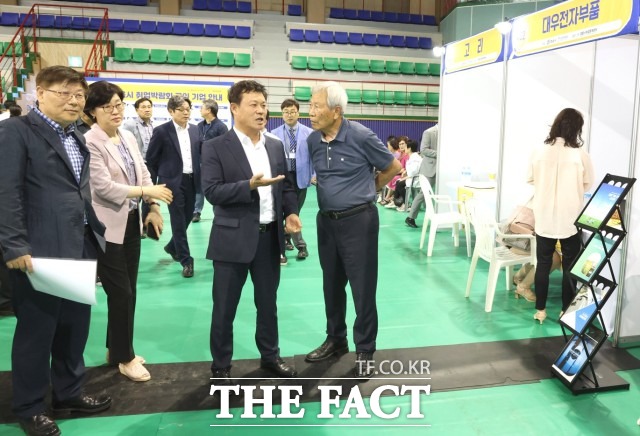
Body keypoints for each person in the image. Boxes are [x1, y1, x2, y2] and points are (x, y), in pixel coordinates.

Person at [0, 66, 112, 436]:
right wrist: (14, 243)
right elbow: (6, 192)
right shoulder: (16, 131)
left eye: (79, 94)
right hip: (38, 251)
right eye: (64, 92)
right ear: (40, 93)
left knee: (73, 327)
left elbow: (78, 192)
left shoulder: (77, 135)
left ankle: (68, 392)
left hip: (79, 244)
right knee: (37, 330)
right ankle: (29, 407)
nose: (74, 100)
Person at [201, 80, 301, 383]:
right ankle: (221, 367)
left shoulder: (274, 144)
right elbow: (212, 191)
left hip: (269, 239)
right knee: (224, 309)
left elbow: (286, 186)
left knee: (268, 304)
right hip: (231, 239)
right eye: (253, 105)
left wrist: (292, 212)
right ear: (234, 108)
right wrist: (249, 186)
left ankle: (270, 356)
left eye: (263, 104)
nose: (261, 111)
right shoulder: (215, 146)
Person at [305, 81, 401, 378]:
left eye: (316, 107)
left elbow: (393, 168)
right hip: (326, 222)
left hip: (359, 221)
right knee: (331, 285)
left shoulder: (361, 135)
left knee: (362, 287)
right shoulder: (312, 141)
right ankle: (336, 339)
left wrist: (369, 188)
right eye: (310, 106)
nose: (311, 112)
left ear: (336, 111)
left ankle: (365, 349)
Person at [83, 80, 173, 382]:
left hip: (131, 225)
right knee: (120, 293)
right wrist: (147, 189)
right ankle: (125, 357)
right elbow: (104, 188)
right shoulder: (91, 141)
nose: (115, 111)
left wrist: (153, 205)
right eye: (107, 107)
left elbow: (143, 171)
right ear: (93, 111)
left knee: (129, 291)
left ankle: (115, 347)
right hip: (106, 230)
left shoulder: (127, 137)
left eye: (119, 104)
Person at [527, 108, 594, 324]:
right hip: (570, 217)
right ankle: (565, 309)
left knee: (543, 264)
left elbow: (530, 179)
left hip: (544, 215)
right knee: (570, 265)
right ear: (576, 129)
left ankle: (540, 310)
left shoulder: (538, 150)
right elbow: (587, 183)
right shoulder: (580, 154)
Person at [146, 96, 201, 278]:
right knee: (178, 220)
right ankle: (186, 260)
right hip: (172, 183)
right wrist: (151, 188)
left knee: (186, 218)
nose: (186, 112)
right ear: (171, 111)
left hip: (192, 181)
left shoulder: (195, 130)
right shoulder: (162, 131)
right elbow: (151, 160)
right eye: (181, 109)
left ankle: (172, 246)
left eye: (188, 109)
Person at [270, 98, 314, 261]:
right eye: (286, 112)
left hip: (301, 176)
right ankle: (300, 246)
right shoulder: (273, 134)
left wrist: (314, 174)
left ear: (298, 113)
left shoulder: (309, 133)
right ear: (282, 114)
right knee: (285, 212)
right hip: (281, 177)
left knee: (295, 211)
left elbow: (314, 156)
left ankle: (286, 238)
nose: (289, 115)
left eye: (292, 111)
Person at [193, 99, 228, 223]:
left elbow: (225, 146)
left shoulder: (221, 127)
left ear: (209, 110)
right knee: (198, 187)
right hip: (199, 161)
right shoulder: (199, 126)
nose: (200, 110)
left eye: (202, 108)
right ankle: (196, 211)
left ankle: (218, 211)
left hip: (215, 163)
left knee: (215, 187)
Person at [123, 98, 156, 229]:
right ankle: (134, 225)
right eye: (143, 107)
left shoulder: (153, 125)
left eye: (149, 106)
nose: (147, 109)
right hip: (135, 165)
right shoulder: (130, 125)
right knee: (136, 195)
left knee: (149, 195)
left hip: (151, 166)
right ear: (137, 110)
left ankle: (146, 226)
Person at [406, 125, 439, 228]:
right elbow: (423, 149)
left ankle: (438, 218)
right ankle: (410, 217)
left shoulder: (447, 133)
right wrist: (440, 154)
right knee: (423, 193)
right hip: (430, 168)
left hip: (442, 168)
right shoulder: (428, 132)